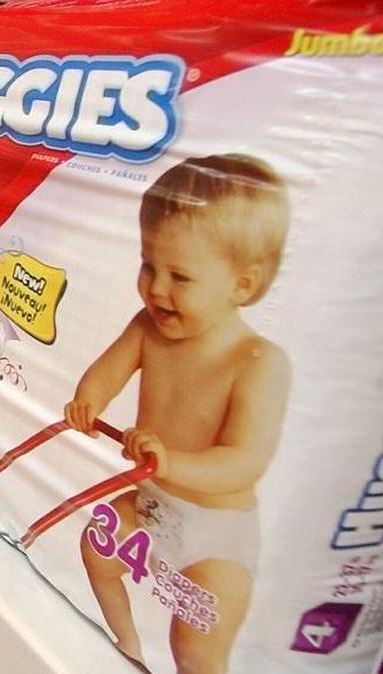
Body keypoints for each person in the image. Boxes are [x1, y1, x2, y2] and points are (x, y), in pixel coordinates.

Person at [64, 154, 292, 674]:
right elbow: (106, 373)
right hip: (153, 502)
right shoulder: (147, 326)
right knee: (96, 550)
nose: (157, 288)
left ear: (243, 285)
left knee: (195, 645)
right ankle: (128, 647)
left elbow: (244, 462)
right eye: (149, 265)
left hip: (217, 534)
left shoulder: (258, 362)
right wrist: (88, 401)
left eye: (180, 276)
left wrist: (172, 462)